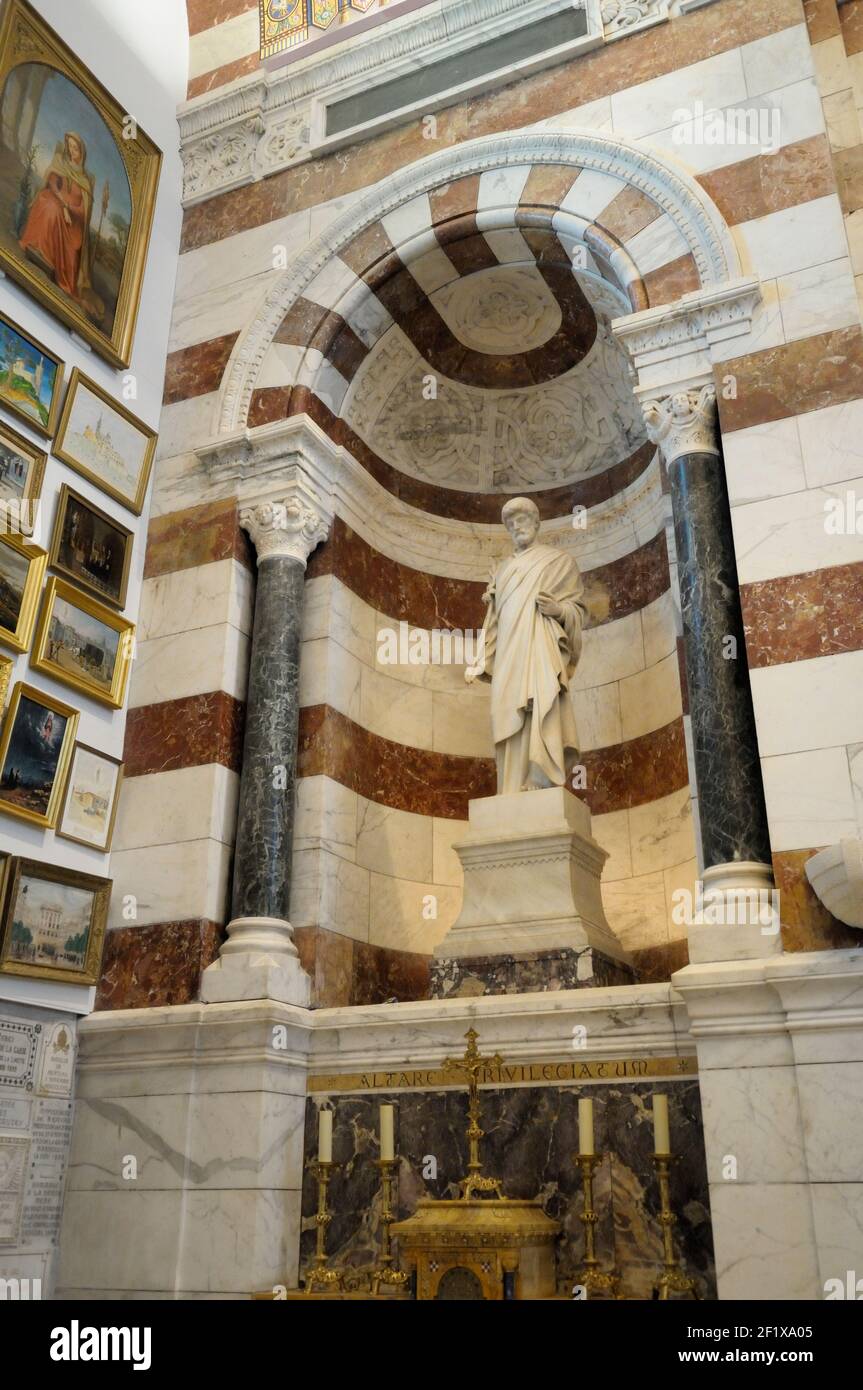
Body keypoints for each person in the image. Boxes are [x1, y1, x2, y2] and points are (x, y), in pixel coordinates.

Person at [465, 496, 587, 793]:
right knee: (505, 712)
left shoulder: (558, 562)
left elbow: (578, 612)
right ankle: (510, 784)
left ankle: (540, 776)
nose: (517, 527)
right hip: (509, 654)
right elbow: (494, 622)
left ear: (536, 523)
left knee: (539, 704)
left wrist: (559, 611)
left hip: (540, 649)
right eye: (511, 523)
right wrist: (481, 657)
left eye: (523, 520)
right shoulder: (503, 570)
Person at [19, 132, 94, 300]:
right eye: (70, 146)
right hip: (56, 200)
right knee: (49, 204)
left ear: (82, 152)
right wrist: (63, 205)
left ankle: (49, 262)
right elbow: (52, 182)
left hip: (72, 222)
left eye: (76, 148)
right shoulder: (62, 163)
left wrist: (69, 210)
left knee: (55, 212)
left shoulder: (85, 181)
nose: (72, 151)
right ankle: (37, 249)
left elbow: (83, 211)